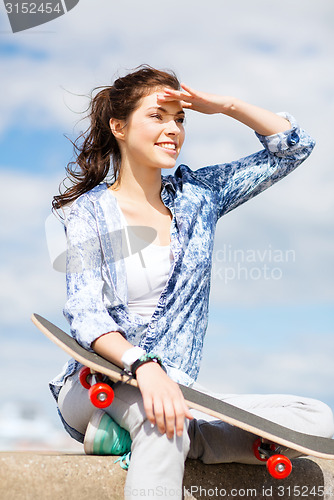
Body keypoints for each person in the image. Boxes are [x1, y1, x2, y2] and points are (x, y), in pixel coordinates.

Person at [50, 65, 334, 498]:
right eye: (158, 117)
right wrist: (143, 367)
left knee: (317, 418)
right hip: (100, 382)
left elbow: (293, 149)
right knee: (161, 427)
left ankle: (187, 436)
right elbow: (86, 314)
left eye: (180, 119)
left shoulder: (200, 196)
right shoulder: (87, 213)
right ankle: (166, 431)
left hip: (178, 389)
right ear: (119, 127)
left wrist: (225, 106)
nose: (173, 130)